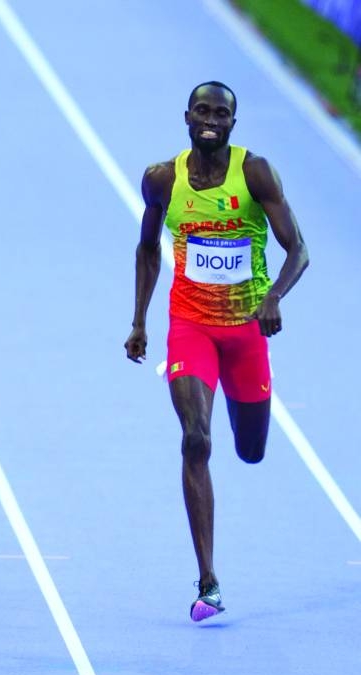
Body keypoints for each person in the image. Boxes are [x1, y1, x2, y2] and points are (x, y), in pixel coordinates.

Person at [124, 82, 308, 622]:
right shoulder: (162, 179)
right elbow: (147, 248)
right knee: (195, 440)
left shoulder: (256, 173)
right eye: (202, 111)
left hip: (247, 331)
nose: (210, 119)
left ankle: (236, 404)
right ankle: (208, 581)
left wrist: (273, 296)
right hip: (191, 328)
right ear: (187, 117)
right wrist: (139, 321)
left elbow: (298, 248)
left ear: (233, 122)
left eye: (221, 113)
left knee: (250, 449)